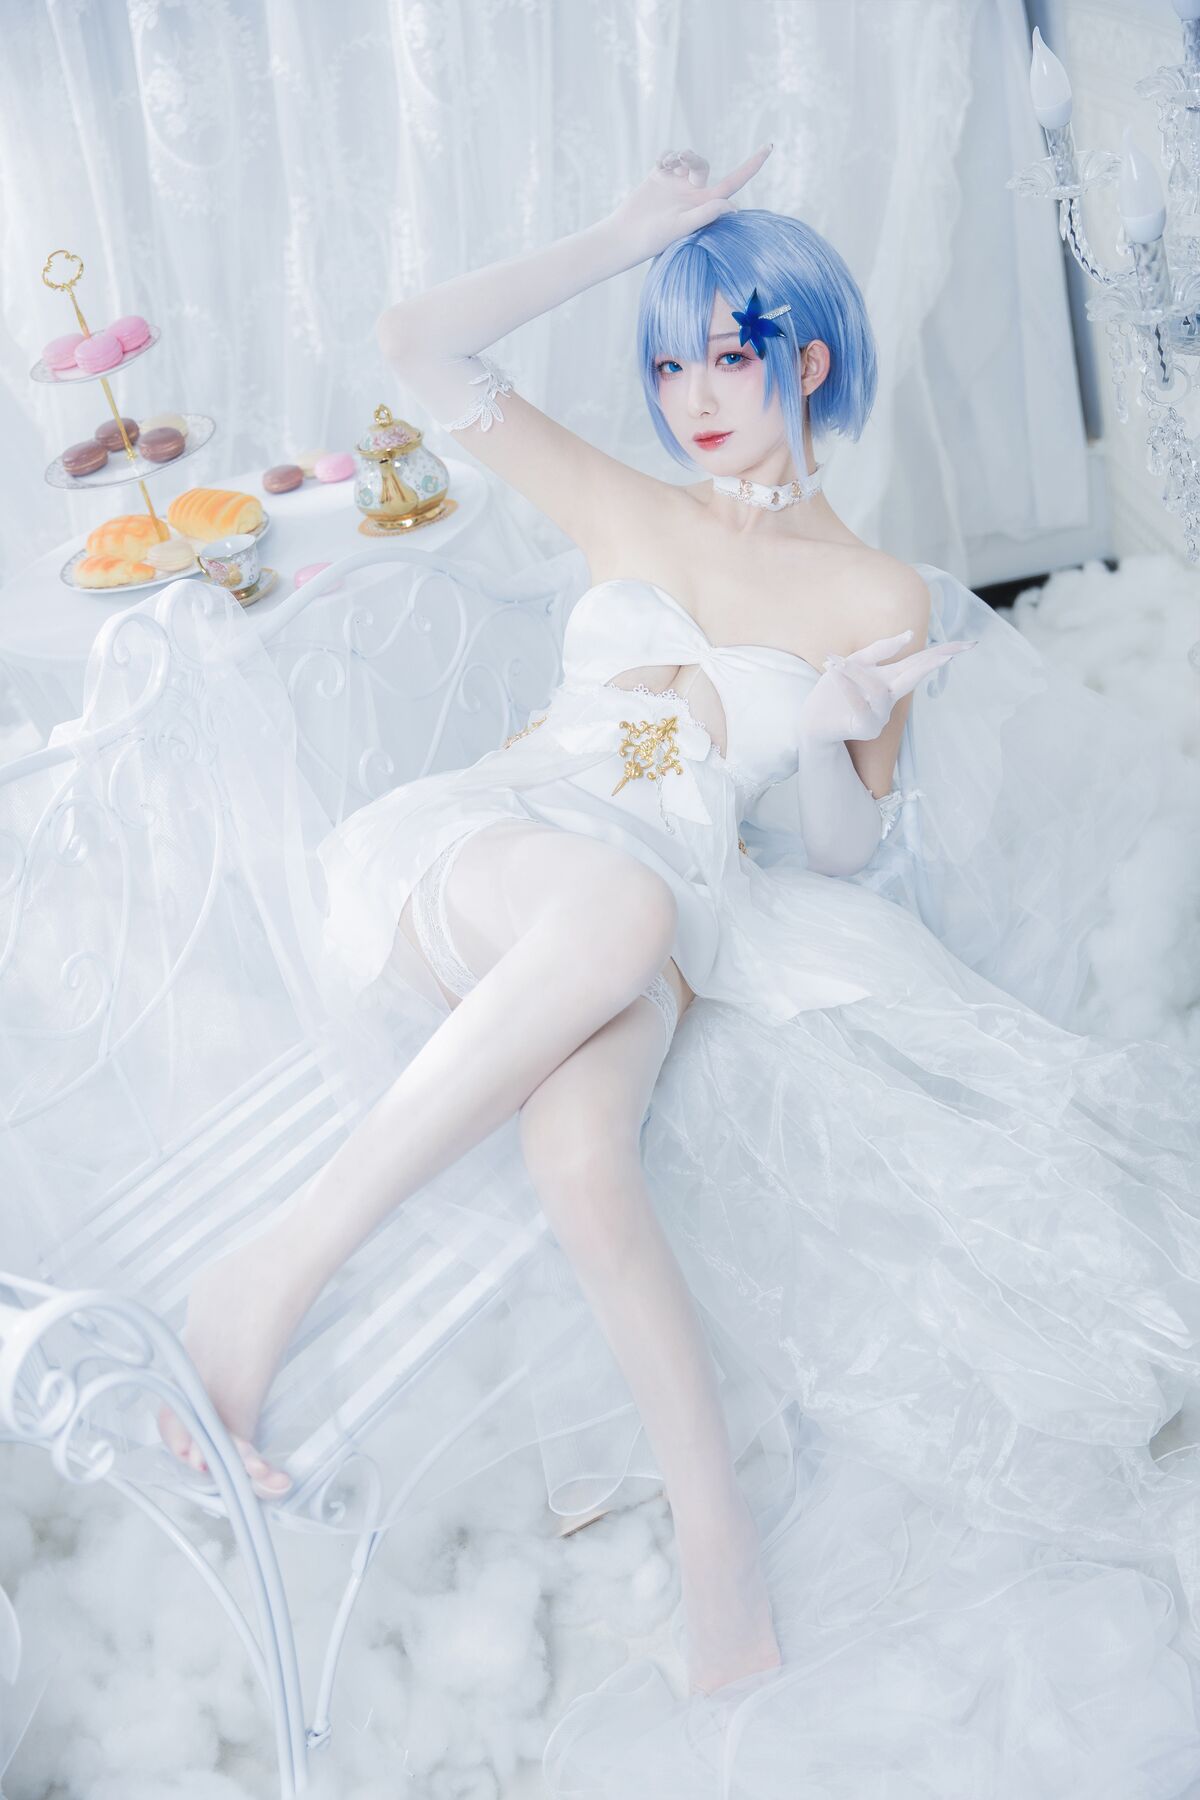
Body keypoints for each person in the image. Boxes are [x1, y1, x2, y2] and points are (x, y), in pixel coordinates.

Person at [156, 145, 1200, 1791]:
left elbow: (840, 860)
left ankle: (722, 1568)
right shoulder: (622, 505)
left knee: (585, 1150)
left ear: (808, 357)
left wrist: (834, 736)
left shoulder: (875, 592)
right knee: (614, 914)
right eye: (668, 361)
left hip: (672, 904)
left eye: (728, 354)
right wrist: (623, 235)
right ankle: (270, 1271)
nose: (693, 396)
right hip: (494, 855)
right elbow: (415, 342)